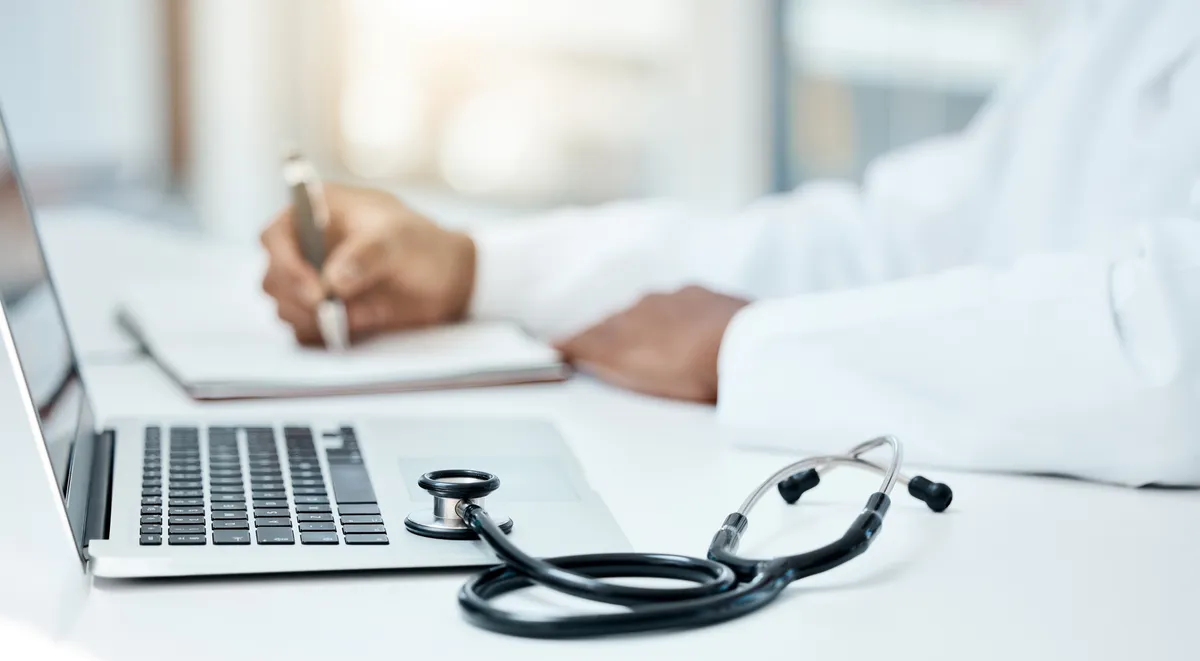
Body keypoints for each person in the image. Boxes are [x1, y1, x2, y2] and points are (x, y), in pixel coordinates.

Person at [261, 0, 1200, 487]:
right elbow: (889, 243)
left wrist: (743, 346)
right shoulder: (1124, 24)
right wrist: (477, 270)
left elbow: (1172, 358)